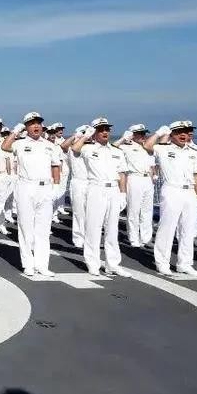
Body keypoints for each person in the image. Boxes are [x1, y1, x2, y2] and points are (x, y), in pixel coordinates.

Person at [2, 112, 62, 277]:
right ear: (26, 127)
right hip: (26, 187)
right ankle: (28, 264)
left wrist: (56, 186)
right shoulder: (20, 143)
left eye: (38, 123)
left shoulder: (50, 145)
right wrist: (15, 132)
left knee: (43, 229)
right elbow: (5, 146)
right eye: (31, 124)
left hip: (45, 188)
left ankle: (42, 265)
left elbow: (55, 166)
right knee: (26, 227)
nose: (36, 126)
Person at [72, 118, 132, 277]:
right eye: (100, 129)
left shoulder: (117, 151)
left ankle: (113, 264)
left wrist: (123, 193)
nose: (105, 132)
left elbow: (122, 174)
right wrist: (86, 136)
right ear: (94, 132)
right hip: (96, 188)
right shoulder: (87, 148)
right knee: (94, 228)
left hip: (113, 189)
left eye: (107, 129)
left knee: (112, 229)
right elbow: (74, 149)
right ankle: (93, 263)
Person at [144, 121, 197, 276]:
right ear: (172, 134)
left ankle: (185, 264)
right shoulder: (164, 149)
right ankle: (162, 263)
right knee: (167, 228)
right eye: (179, 132)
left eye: (186, 131)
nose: (183, 134)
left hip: (190, 191)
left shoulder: (194, 151)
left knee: (187, 230)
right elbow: (147, 145)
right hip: (172, 190)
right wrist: (159, 133)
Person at [119, 124, 156, 247]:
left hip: (147, 180)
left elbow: (152, 165)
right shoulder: (125, 147)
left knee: (147, 211)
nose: (143, 136)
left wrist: (153, 177)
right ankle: (133, 238)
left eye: (144, 133)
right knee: (133, 211)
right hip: (134, 178)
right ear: (133, 135)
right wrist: (123, 139)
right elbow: (113, 148)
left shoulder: (147, 147)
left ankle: (146, 238)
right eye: (140, 133)